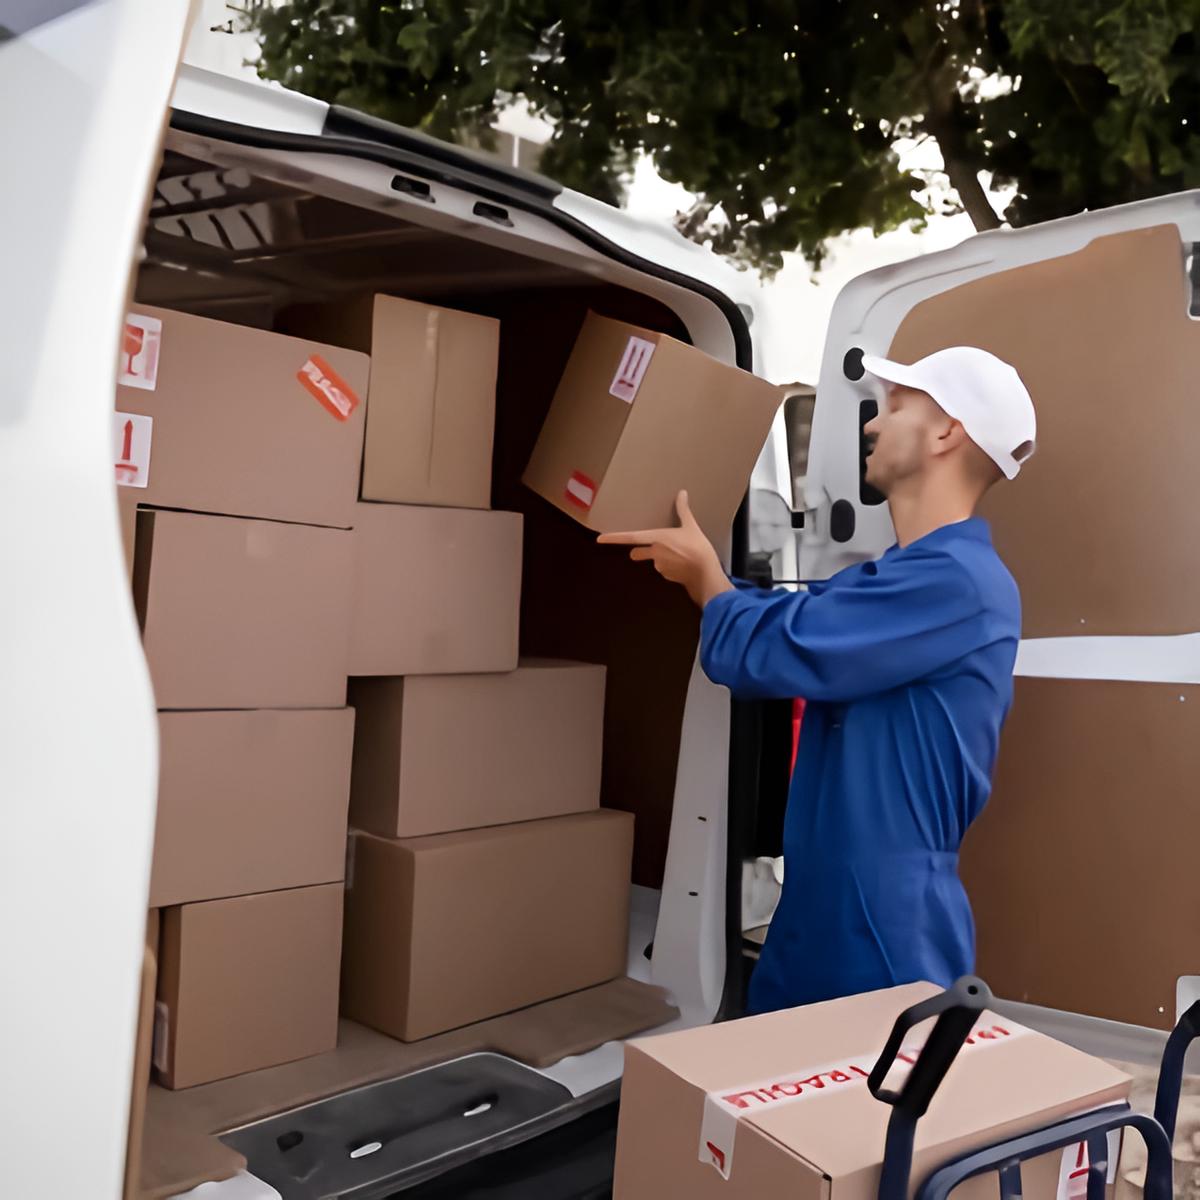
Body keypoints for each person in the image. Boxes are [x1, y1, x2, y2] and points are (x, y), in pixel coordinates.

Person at [598, 347, 1036, 1012]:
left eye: (894, 407)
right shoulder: (905, 578)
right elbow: (806, 619)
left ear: (948, 432)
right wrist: (713, 581)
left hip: (881, 916)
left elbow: (785, 644)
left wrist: (708, 581)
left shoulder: (956, 584)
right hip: (832, 897)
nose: (871, 425)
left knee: (857, 1101)